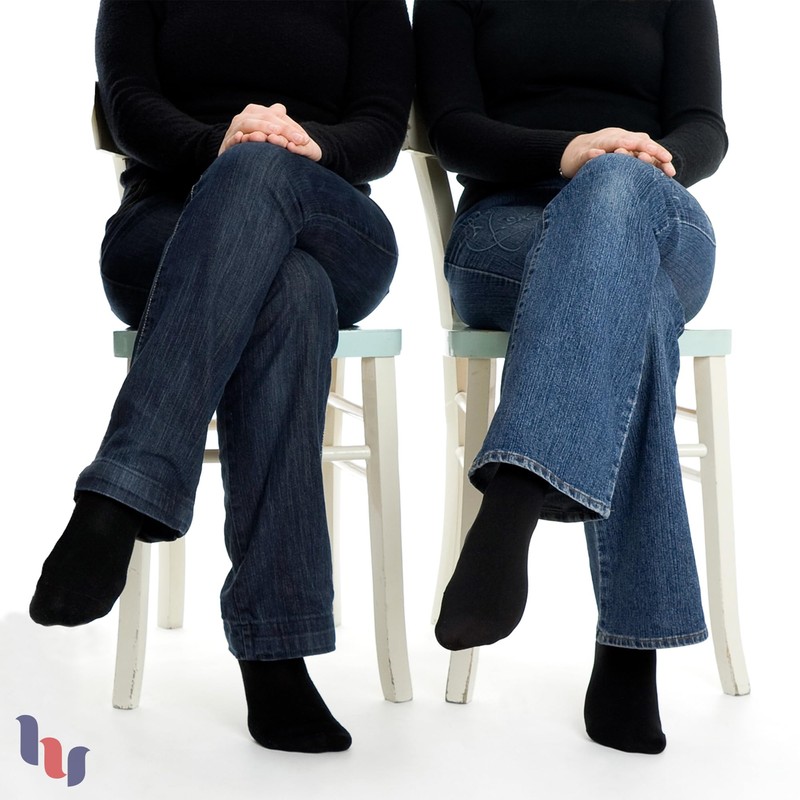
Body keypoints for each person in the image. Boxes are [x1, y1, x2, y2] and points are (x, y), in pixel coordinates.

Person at [29, 0, 413, 754]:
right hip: (166, 229)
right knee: (291, 292)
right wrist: (222, 143)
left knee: (266, 182)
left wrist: (298, 146)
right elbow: (129, 105)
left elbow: (379, 127)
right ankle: (276, 655)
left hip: (330, 218)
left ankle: (122, 492)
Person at [414, 0, 726, 754]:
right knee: (636, 307)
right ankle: (630, 655)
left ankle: (516, 494)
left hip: (657, 214)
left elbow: (704, 125)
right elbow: (450, 127)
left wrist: (642, 159)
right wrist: (570, 153)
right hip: (506, 232)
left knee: (617, 202)